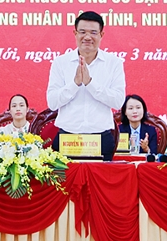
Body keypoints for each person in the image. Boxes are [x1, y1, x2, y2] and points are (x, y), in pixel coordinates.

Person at [47, 11, 126, 161]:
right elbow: (52, 102)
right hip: (67, 138)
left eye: (93, 32)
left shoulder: (114, 63)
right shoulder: (60, 62)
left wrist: (90, 83)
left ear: (101, 35)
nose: (87, 37)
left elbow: (118, 102)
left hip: (101, 139)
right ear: (75, 33)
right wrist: (75, 84)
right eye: (82, 32)